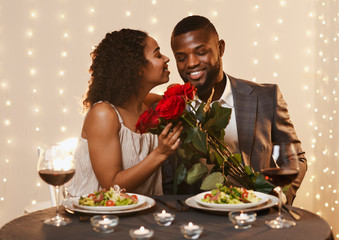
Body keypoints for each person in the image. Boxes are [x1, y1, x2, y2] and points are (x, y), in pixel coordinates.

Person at [163, 15, 307, 204]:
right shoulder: (172, 111)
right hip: (197, 222)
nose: (191, 63)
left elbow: (295, 159)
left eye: (200, 52)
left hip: (258, 217)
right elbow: (169, 182)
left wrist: (279, 196)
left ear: (220, 48)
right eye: (181, 58)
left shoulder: (266, 97)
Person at [66, 29, 182, 197]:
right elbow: (112, 186)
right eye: (157, 55)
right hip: (95, 216)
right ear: (137, 69)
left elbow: (175, 99)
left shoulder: (147, 104)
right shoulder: (104, 115)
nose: (166, 58)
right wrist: (160, 154)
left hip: (138, 215)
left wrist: (178, 94)